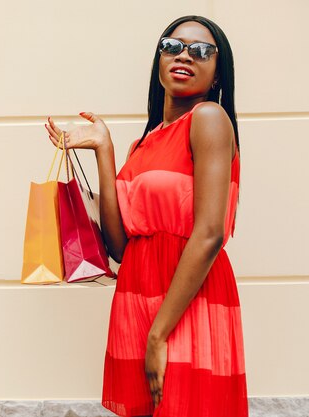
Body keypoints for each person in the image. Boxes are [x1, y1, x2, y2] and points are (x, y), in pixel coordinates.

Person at [44, 15, 248, 417]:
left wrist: (159, 334)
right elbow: (120, 246)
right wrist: (106, 150)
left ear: (218, 76)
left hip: (185, 303)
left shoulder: (208, 119)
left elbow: (209, 234)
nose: (184, 55)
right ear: (159, 62)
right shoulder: (144, 142)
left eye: (202, 50)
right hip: (138, 299)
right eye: (172, 46)